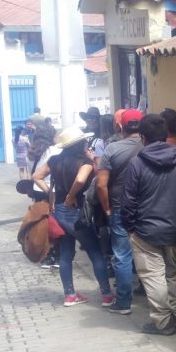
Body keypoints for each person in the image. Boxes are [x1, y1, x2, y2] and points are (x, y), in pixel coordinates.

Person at [121, 114, 176, 336]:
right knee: (171, 273)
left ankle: (164, 322)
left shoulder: (136, 164)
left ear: (143, 138)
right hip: (174, 230)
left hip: (145, 232)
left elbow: (128, 202)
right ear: (166, 136)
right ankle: (173, 312)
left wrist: (130, 228)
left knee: (153, 275)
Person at [32, 126, 114, 307]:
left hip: (58, 211)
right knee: (95, 253)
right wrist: (70, 195)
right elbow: (80, 180)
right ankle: (107, 295)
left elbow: (36, 176)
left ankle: (69, 295)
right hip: (77, 212)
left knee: (66, 254)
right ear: (79, 144)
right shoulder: (84, 163)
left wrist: (51, 194)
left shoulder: (54, 160)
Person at [96, 109, 145, 315]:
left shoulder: (112, 149)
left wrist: (106, 207)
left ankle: (124, 302)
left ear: (121, 127)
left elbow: (101, 185)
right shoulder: (149, 146)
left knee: (122, 255)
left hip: (119, 207)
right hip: (146, 208)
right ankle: (155, 297)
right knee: (149, 252)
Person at [26, 119, 60, 269]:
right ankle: (55, 255)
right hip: (50, 190)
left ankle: (45, 254)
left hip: (37, 191)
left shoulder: (31, 153)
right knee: (55, 224)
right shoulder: (54, 151)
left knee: (43, 224)